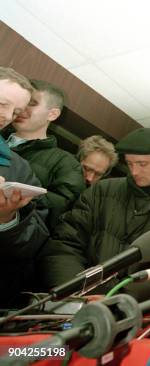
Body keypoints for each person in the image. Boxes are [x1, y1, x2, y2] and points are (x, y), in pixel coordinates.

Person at [38, 127, 150, 301]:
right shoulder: (100, 191)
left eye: (142, 164)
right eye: (130, 163)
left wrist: (119, 299)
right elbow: (64, 245)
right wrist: (75, 292)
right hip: (76, 301)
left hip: (133, 313)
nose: (134, 172)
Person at [3, 79, 85, 229]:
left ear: (52, 114)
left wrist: (12, 191)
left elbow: (58, 212)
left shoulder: (66, 163)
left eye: (32, 104)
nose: (22, 109)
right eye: (23, 102)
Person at [0, 67, 49, 307]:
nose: (7, 116)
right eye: (2, 104)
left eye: (16, 111)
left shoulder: (19, 169)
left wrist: (6, 219)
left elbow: (34, 240)